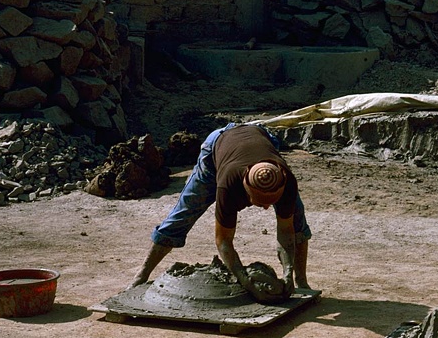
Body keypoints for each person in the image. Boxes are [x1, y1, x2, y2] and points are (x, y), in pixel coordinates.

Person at [129, 122, 311, 303]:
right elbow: (223, 241)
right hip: (217, 144)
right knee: (184, 212)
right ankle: (142, 274)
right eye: (261, 202)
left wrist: (288, 271)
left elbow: (287, 231)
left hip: (261, 136)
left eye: (271, 202)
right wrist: (246, 282)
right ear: (246, 192)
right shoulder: (228, 186)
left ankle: (300, 281)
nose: (265, 208)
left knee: (297, 220)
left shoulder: (285, 180)